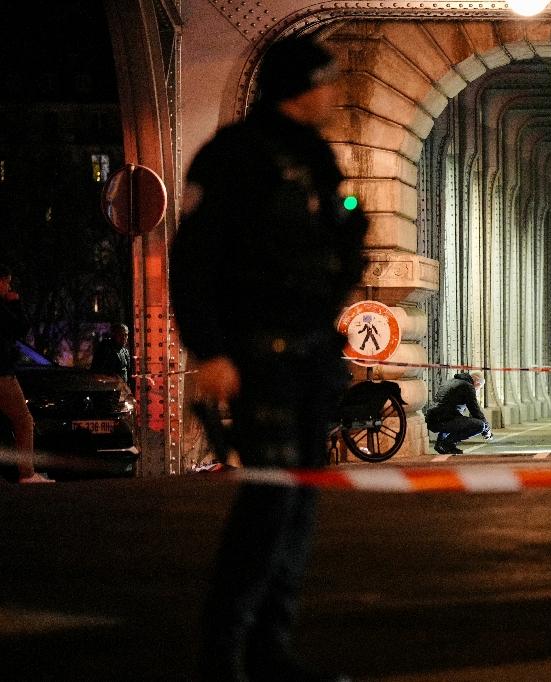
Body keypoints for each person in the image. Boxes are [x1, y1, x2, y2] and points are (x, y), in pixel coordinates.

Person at [169, 35, 366, 682]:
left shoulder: (316, 159)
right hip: (259, 357)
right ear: (301, 85)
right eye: (328, 81)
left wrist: (349, 237)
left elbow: (332, 252)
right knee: (268, 505)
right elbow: (194, 260)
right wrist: (211, 349)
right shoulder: (233, 156)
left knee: (301, 505)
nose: (335, 94)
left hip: (311, 355)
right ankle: (223, 651)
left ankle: (271, 649)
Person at [0, 263, 52, 484]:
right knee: (23, 419)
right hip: (2, 372)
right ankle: (27, 472)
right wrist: (16, 303)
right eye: (7, 281)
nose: (9, 286)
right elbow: (20, 327)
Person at [425, 371, 491, 454]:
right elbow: (475, 411)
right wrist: (486, 429)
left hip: (432, 419)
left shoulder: (451, 381)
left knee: (455, 420)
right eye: (479, 387)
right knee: (480, 425)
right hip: (443, 419)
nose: (478, 389)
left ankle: (441, 444)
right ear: (477, 382)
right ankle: (447, 443)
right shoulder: (468, 386)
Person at [91, 323, 134, 389]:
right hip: (109, 389)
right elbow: (97, 371)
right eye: (120, 335)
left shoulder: (125, 351)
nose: (124, 338)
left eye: (126, 335)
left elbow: (127, 371)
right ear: (114, 335)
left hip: (122, 388)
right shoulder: (105, 349)